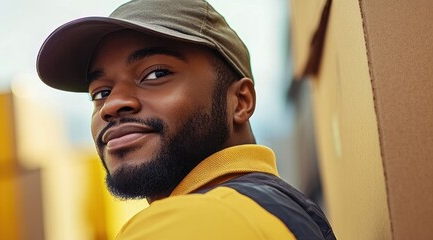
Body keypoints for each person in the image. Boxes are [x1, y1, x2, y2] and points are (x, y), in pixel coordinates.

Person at [36, 0, 336, 239]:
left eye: (156, 74)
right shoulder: (281, 211)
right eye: (100, 92)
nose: (111, 105)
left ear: (240, 102)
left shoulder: (191, 221)